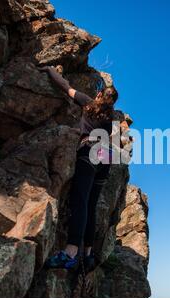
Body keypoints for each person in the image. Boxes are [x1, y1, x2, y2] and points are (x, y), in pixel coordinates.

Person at [38, 66, 119, 271]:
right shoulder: (112, 119)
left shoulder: (88, 103)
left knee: (80, 201)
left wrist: (49, 70)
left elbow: (65, 87)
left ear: (100, 94)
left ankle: (70, 253)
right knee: (90, 205)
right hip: (105, 157)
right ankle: (88, 255)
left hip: (90, 151)